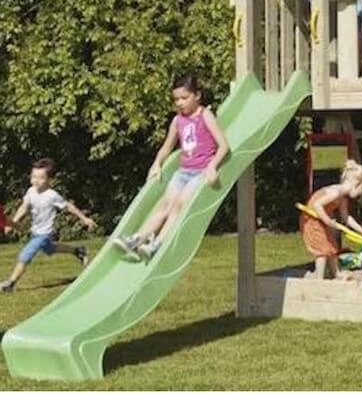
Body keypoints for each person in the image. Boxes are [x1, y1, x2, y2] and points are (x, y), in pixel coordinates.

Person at [113, 73, 228, 261]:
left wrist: (212, 166)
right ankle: (138, 238)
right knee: (165, 204)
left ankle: (157, 244)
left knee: (179, 205)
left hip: (200, 173)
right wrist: (157, 164)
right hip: (183, 172)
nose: (180, 103)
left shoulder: (205, 115)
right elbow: (166, 147)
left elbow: (223, 146)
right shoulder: (177, 121)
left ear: (197, 96)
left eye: (184, 98)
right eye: (176, 99)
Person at [0, 158, 96, 293]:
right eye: (33, 176)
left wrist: (84, 218)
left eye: (41, 178)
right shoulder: (31, 191)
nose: (36, 180)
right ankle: (79, 251)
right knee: (50, 249)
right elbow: (24, 207)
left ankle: (10, 283)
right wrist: (13, 223)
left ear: (49, 180)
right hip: (35, 231)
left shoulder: (52, 195)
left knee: (25, 254)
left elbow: (68, 206)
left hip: (45, 233)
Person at [300, 160, 362, 279]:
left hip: (322, 220)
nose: (359, 196)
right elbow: (317, 205)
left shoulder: (343, 198)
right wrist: (328, 221)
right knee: (322, 248)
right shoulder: (335, 192)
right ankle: (319, 278)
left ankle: (336, 273)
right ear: (356, 184)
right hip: (312, 220)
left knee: (332, 246)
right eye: (361, 192)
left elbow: (346, 217)